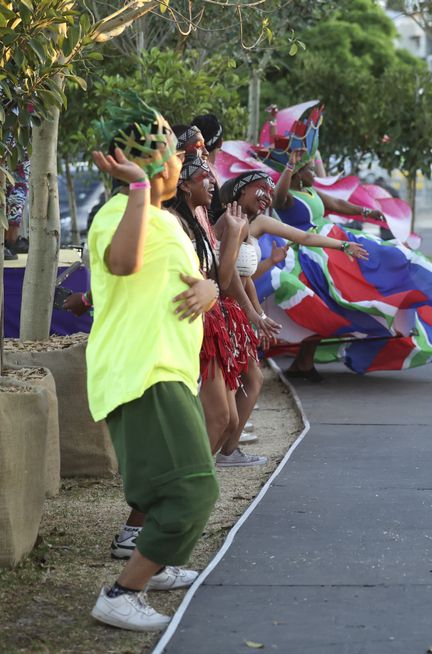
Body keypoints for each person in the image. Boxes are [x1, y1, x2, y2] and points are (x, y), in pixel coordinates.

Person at [86, 97, 219, 631]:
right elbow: (123, 263)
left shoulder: (163, 217)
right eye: (168, 148)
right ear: (143, 164)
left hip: (169, 370)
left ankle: (155, 565)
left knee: (168, 490)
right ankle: (121, 594)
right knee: (194, 489)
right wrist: (138, 189)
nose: (179, 159)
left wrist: (209, 290)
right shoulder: (119, 212)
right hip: (145, 371)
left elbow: (179, 283)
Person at [272, 148, 384, 379]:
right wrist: (290, 165)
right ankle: (303, 363)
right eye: (311, 170)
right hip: (308, 254)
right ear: (299, 174)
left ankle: (303, 363)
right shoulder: (289, 197)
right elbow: (277, 198)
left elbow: (337, 204)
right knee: (321, 306)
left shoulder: (311, 191)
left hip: (330, 246)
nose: (315, 174)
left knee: (337, 299)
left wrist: (368, 213)